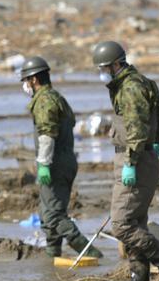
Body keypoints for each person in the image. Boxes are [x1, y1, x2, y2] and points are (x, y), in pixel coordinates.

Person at [93, 41, 159, 281]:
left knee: (121, 224)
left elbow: (134, 129)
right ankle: (139, 279)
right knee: (136, 222)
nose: (102, 72)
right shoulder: (136, 82)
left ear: (117, 64)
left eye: (104, 67)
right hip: (141, 157)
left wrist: (131, 161)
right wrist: (155, 141)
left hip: (134, 160)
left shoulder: (131, 88)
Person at [19, 56, 102, 259]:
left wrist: (44, 164)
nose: (24, 85)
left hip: (55, 163)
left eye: (25, 80)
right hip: (63, 161)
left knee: (53, 215)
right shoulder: (55, 97)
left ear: (34, 80)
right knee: (47, 214)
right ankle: (52, 255)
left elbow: (47, 134)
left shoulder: (45, 101)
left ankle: (91, 252)